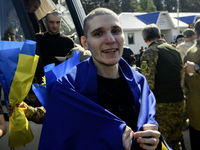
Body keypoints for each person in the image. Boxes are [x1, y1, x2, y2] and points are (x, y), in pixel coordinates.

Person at [38, 8, 170, 150]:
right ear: (85, 43)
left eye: (116, 31)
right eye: (98, 33)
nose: (110, 40)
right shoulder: (68, 89)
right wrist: (109, 139)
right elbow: (58, 142)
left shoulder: (140, 84)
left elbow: (149, 128)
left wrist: (153, 142)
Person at [140, 24, 184, 150]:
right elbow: (181, 76)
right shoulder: (174, 50)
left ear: (144, 39)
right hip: (179, 102)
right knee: (176, 142)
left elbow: (149, 84)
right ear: (159, 35)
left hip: (162, 106)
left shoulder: (150, 52)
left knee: (163, 144)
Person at [183, 19, 200, 150]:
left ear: (195, 32)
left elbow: (185, 83)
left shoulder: (190, 51)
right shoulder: (192, 51)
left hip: (194, 111)